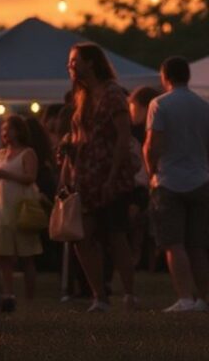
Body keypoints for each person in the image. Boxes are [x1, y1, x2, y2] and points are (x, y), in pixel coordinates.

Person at [65, 40, 140, 311]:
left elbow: (123, 137)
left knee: (115, 234)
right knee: (82, 236)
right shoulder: (81, 96)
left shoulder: (112, 94)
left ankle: (129, 293)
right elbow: (80, 136)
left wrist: (112, 176)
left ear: (91, 62)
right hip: (86, 175)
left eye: (75, 61)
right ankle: (99, 295)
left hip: (111, 175)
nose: (70, 67)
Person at [144, 55, 209, 313]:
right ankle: (203, 298)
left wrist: (151, 173)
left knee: (174, 242)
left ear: (164, 76)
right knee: (198, 245)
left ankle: (185, 298)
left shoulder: (159, 104)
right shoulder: (204, 105)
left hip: (169, 180)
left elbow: (153, 144)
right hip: (201, 179)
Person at [0, 112, 45, 313]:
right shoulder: (0, 155)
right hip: (2, 206)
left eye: (8, 129)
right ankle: (8, 294)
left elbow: (30, 177)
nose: (5, 133)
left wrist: (5, 174)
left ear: (18, 131)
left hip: (21, 205)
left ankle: (30, 297)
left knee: (26, 255)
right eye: (3, 130)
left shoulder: (27, 153)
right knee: (4, 255)